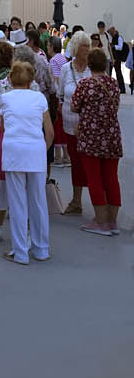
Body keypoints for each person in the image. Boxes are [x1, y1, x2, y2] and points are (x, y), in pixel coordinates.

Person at [0, 56, 55, 264]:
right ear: (31, 81)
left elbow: (4, 125)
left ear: (10, 79)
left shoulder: (6, 99)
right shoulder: (39, 99)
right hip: (35, 150)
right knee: (38, 201)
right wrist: (40, 149)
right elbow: (50, 133)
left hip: (13, 151)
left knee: (17, 202)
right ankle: (41, 249)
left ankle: (20, 252)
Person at [64, 38, 121, 237]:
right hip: (112, 135)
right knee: (111, 178)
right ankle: (112, 222)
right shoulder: (113, 84)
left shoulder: (86, 84)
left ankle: (100, 222)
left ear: (89, 64)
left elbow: (74, 106)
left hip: (90, 137)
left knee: (94, 178)